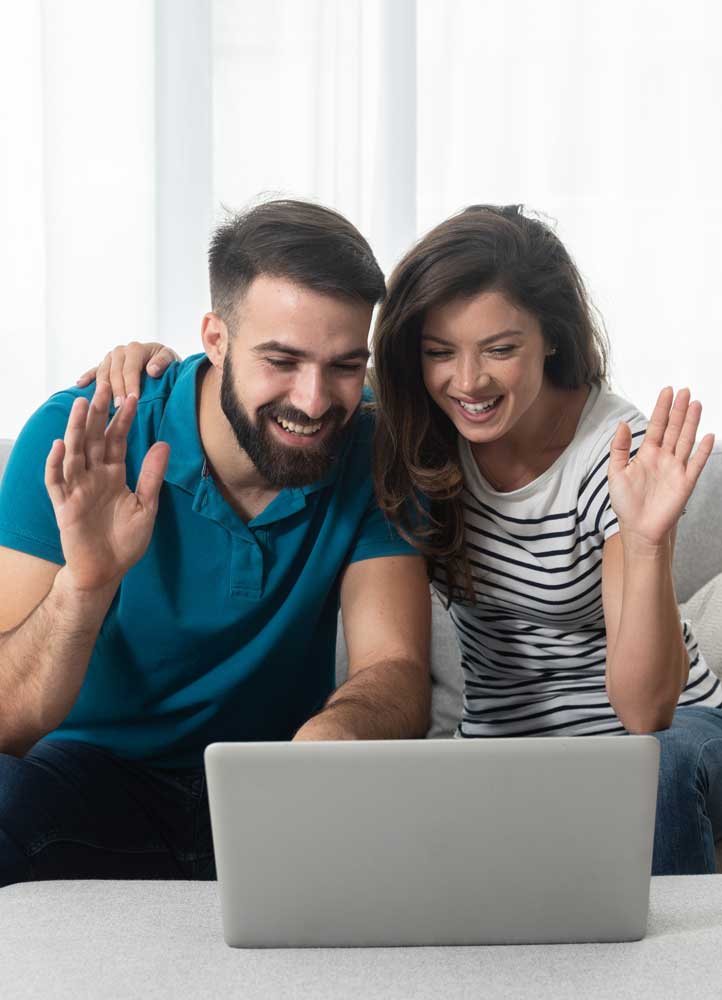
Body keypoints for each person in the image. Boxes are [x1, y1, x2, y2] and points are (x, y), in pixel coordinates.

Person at [0, 200, 431, 887]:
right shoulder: (77, 434)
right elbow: (8, 722)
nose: (316, 401)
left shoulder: (373, 450)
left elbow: (396, 669)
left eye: (345, 365)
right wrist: (84, 585)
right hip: (87, 787)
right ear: (215, 338)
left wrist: (334, 735)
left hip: (278, 790)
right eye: (282, 360)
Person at [369, 204, 721, 875]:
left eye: (500, 349)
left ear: (552, 336)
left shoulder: (614, 455)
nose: (468, 382)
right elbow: (286, 392)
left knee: (658, 768)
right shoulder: (416, 428)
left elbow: (647, 712)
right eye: (441, 352)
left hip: (671, 738)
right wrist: (152, 366)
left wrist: (647, 544)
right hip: (504, 755)